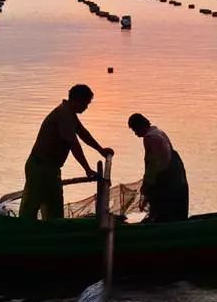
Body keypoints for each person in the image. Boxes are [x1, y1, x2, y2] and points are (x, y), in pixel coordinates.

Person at [19, 85, 113, 220]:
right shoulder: (63, 114)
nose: (86, 107)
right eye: (85, 103)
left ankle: (53, 235)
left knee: (55, 208)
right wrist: (87, 168)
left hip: (52, 168)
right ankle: (24, 234)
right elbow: (74, 144)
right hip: (39, 167)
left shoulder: (70, 113)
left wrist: (100, 150)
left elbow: (83, 133)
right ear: (77, 100)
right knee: (31, 207)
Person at [127, 113, 189, 223]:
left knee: (162, 211)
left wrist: (147, 185)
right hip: (176, 175)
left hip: (168, 179)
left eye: (135, 130)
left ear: (140, 126)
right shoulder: (159, 132)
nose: (135, 134)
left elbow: (152, 165)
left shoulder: (150, 138)